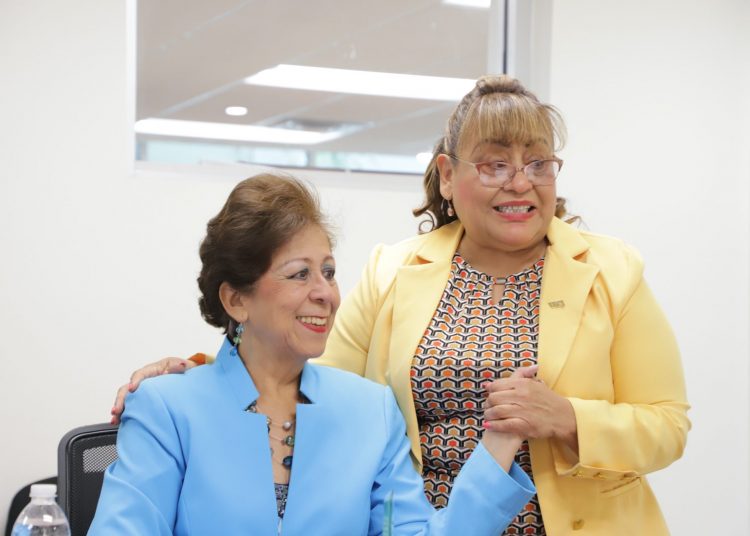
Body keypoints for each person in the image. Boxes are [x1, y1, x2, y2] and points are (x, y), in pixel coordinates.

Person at [113, 76, 690, 535]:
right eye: (495, 164)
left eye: (538, 163)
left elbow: (667, 423)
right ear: (447, 176)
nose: (520, 182)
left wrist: (567, 419)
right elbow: (307, 380)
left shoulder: (612, 271)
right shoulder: (392, 271)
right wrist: (197, 380)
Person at [90, 173, 534, 535]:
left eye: (328, 272)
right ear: (236, 300)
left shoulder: (371, 410)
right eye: (299, 274)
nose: (326, 293)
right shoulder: (166, 408)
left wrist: (497, 447)